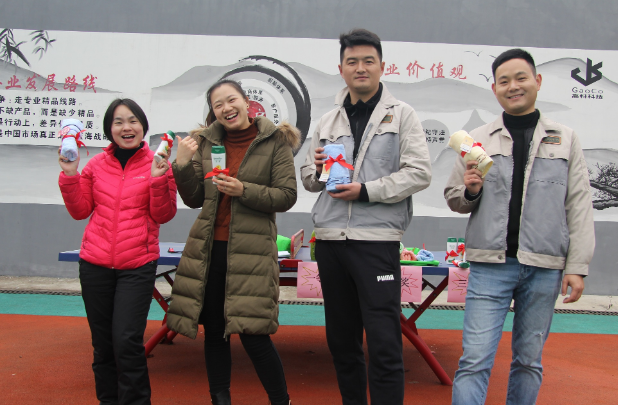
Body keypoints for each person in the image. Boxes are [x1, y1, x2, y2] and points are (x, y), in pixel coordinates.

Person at [444, 48, 595, 405]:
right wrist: (471, 190)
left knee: (528, 362)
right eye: (504, 81)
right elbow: (454, 197)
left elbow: (578, 204)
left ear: (537, 81)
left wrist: (577, 266)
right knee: (474, 361)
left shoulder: (565, 138)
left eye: (521, 78)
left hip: (544, 267)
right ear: (495, 88)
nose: (513, 86)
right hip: (489, 266)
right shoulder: (476, 139)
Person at [301, 29, 432, 405]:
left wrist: (365, 190)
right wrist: (318, 168)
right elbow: (309, 179)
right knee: (342, 343)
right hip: (330, 241)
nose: (360, 68)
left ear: (381, 66)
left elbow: (419, 173)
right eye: (352, 61)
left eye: (368, 61)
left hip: (376, 242)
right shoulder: (328, 120)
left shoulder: (402, 115)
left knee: (384, 343)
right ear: (341, 68)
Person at [166, 79, 299, 405]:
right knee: (214, 333)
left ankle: (281, 401)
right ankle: (220, 400)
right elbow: (194, 198)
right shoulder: (207, 143)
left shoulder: (274, 141)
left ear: (246, 102)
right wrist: (181, 164)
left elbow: (286, 195)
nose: (226, 108)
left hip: (252, 253)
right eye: (218, 104)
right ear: (213, 112)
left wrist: (244, 190)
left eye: (231, 100)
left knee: (254, 336)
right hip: (210, 250)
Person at [58, 98, 177, 405]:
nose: (127, 127)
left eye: (133, 120)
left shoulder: (159, 163)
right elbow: (80, 211)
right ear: (109, 129)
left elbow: (164, 214)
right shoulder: (96, 165)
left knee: (127, 342)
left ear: (143, 126)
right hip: (94, 265)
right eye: (119, 122)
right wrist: (70, 174)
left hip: (137, 265)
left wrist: (157, 179)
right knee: (103, 345)